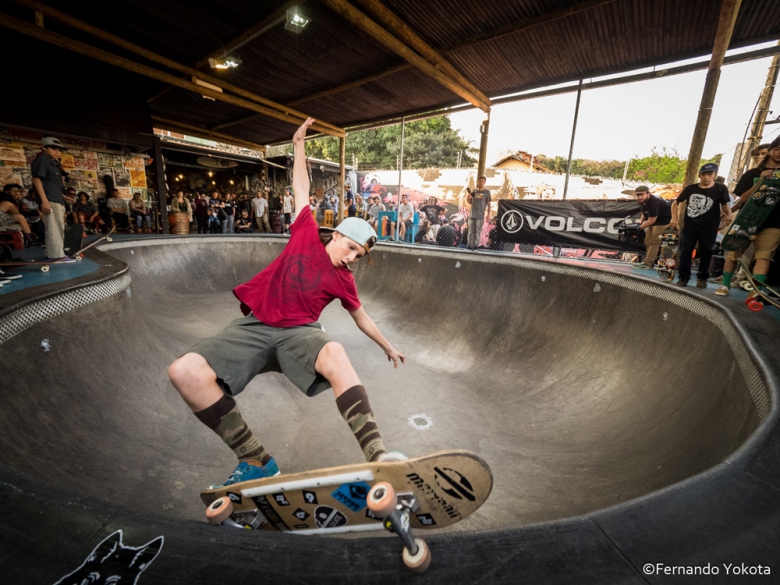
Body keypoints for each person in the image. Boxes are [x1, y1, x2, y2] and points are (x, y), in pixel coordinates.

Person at [167, 118, 405, 486]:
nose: (352, 258)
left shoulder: (344, 280)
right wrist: (298, 146)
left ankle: (379, 457)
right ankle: (256, 460)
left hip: (300, 334)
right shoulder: (306, 231)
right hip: (256, 326)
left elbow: (362, 319)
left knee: (337, 354)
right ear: (338, 235)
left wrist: (388, 346)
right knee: (184, 372)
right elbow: (300, 186)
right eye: (351, 248)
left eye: (359, 256)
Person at [716, 137, 780, 296]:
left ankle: (755, 290)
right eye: (778, 149)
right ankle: (725, 285)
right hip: (747, 219)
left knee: (764, 256)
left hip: (773, 222)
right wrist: (761, 182)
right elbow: (743, 198)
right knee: (733, 252)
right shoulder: (752, 174)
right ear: (771, 151)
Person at [670, 163, 732, 287]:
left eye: (709, 174)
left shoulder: (720, 188)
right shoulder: (691, 189)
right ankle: (683, 277)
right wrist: (674, 218)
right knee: (686, 251)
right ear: (700, 175)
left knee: (706, 251)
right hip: (690, 225)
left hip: (709, 226)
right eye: (704, 174)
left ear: (714, 175)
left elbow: (724, 204)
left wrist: (729, 214)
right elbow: (675, 203)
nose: (706, 177)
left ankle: (702, 278)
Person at [31, 136, 73, 260]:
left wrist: (63, 196)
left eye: (59, 150)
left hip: (56, 198)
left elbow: (51, 184)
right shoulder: (43, 159)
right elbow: (37, 179)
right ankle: (57, 256)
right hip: (50, 200)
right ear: (44, 147)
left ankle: (52, 253)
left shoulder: (53, 163)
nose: (57, 152)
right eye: (54, 148)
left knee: (58, 226)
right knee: (54, 227)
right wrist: (44, 200)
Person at [632, 185, 672, 269]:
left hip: (663, 222)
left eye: (641, 194)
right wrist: (640, 221)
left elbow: (652, 220)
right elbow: (645, 212)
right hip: (653, 221)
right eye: (638, 195)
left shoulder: (653, 202)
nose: (639, 197)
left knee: (654, 242)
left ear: (648, 193)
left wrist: (639, 228)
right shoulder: (642, 201)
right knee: (647, 240)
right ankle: (650, 261)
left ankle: (648, 263)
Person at [467, 176, 492, 250]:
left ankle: (475, 246)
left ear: (484, 182)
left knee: (478, 231)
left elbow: (489, 204)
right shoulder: (474, 191)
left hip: (480, 214)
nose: (481, 182)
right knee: (470, 231)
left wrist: (488, 214)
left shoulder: (487, 192)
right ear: (477, 182)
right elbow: (470, 202)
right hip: (472, 214)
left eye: (482, 181)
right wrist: (469, 197)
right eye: (479, 181)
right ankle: (469, 245)